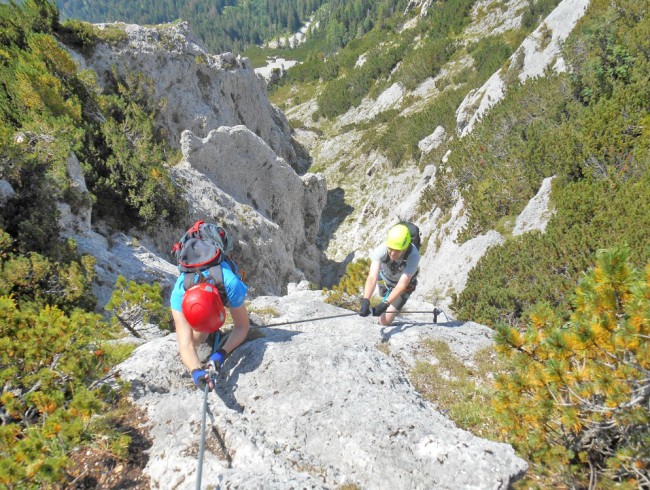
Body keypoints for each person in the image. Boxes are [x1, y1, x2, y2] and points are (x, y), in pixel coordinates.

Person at [170, 260, 250, 392]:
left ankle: (208, 335)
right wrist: (195, 372)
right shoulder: (178, 295)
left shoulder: (231, 285)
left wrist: (220, 355)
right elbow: (185, 345)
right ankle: (204, 334)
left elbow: (242, 326)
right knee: (195, 339)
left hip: (221, 273)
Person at [358, 223, 420, 326]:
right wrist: (365, 300)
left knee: (384, 321)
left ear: (405, 248)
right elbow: (372, 277)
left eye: (397, 251)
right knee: (375, 294)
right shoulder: (381, 250)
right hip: (386, 279)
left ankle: (391, 306)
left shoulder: (413, 256)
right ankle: (385, 293)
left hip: (403, 287)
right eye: (390, 249)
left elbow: (402, 285)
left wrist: (385, 304)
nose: (393, 254)